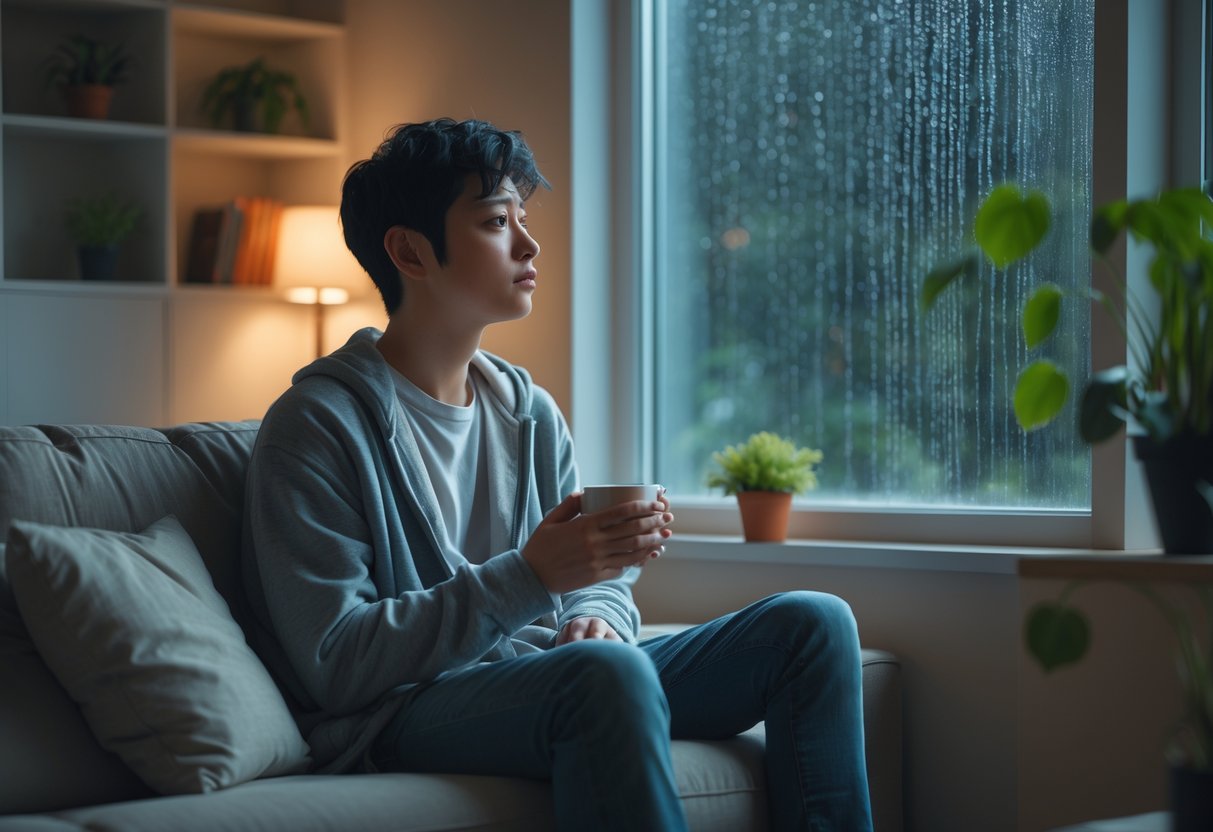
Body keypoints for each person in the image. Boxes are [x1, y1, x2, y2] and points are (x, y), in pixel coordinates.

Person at [242, 117, 873, 831]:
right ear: (409, 251)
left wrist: (593, 612)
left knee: (812, 625)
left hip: (554, 672)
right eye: (494, 222)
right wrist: (531, 578)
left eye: (521, 217)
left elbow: (594, 582)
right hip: (407, 708)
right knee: (604, 675)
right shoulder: (317, 424)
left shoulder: (527, 410)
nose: (528, 244)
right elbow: (335, 660)